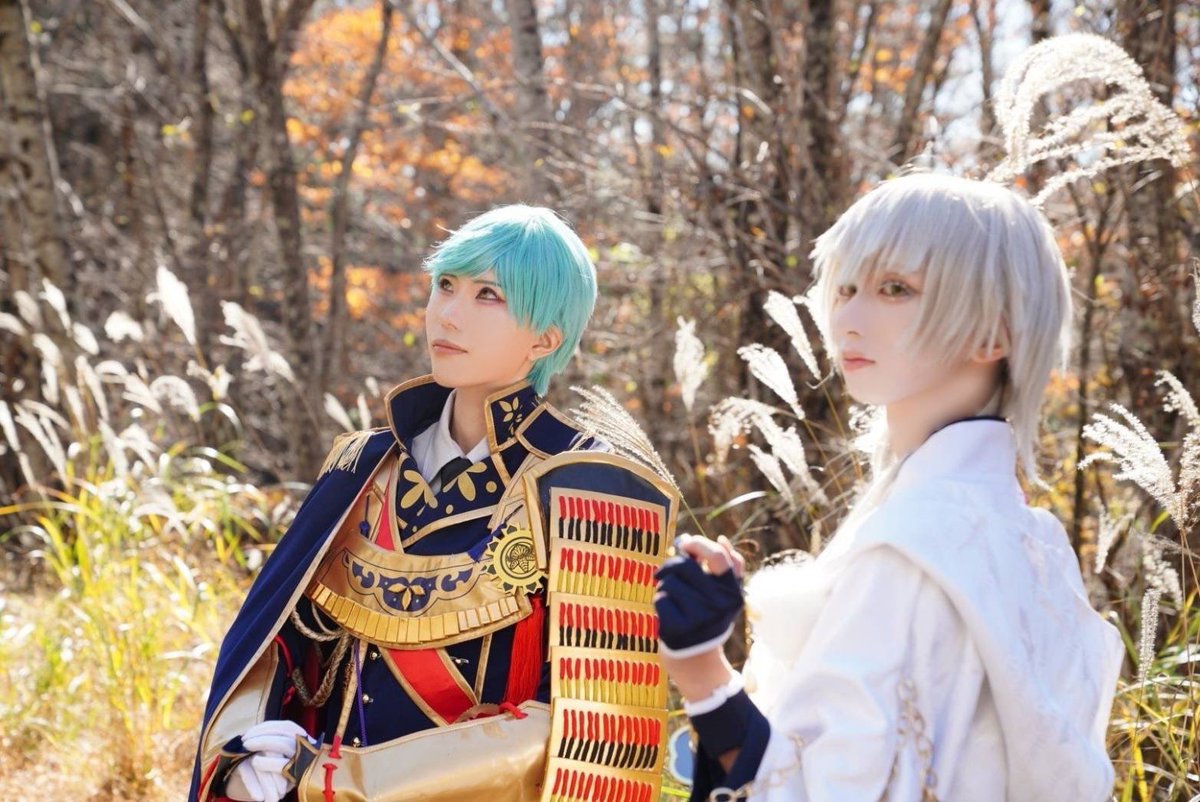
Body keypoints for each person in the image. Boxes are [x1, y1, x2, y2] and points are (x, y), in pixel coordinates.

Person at [654, 173, 1124, 801]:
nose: (847, 318)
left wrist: (699, 668)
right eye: (845, 288)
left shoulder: (917, 544)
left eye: (895, 289)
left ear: (995, 334)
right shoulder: (1026, 537)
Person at [191, 205, 677, 802]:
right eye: (445, 284)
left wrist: (335, 779)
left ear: (545, 338)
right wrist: (243, 751)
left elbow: (592, 734)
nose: (447, 313)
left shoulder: (595, 488)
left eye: (488, 295)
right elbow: (272, 647)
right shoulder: (362, 467)